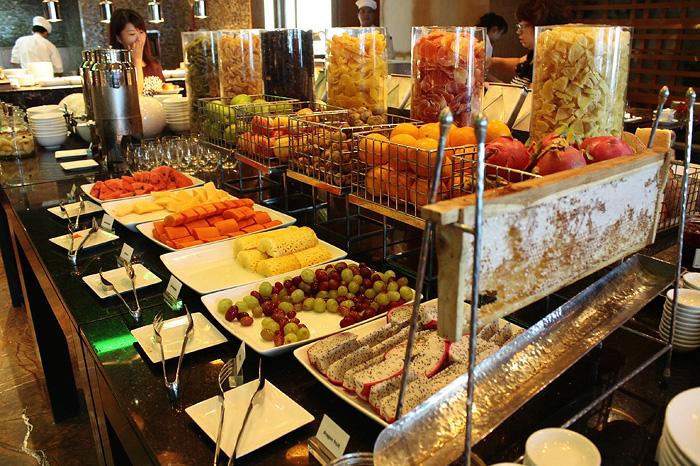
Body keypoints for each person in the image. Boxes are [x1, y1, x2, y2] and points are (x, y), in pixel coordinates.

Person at [488, 0, 571, 86]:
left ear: (539, 26)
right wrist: (492, 61)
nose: (518, 32)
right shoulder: (535, 53)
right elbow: (519, 62)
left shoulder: (552, 62)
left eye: (521, 26)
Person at [109, 9, 165, 93]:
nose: (139, 39)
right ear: (119, 38)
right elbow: (136, 96)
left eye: (141, 32)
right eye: (132, 34)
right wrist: (137, 60)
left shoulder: (153, 65)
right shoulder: (116, 71)